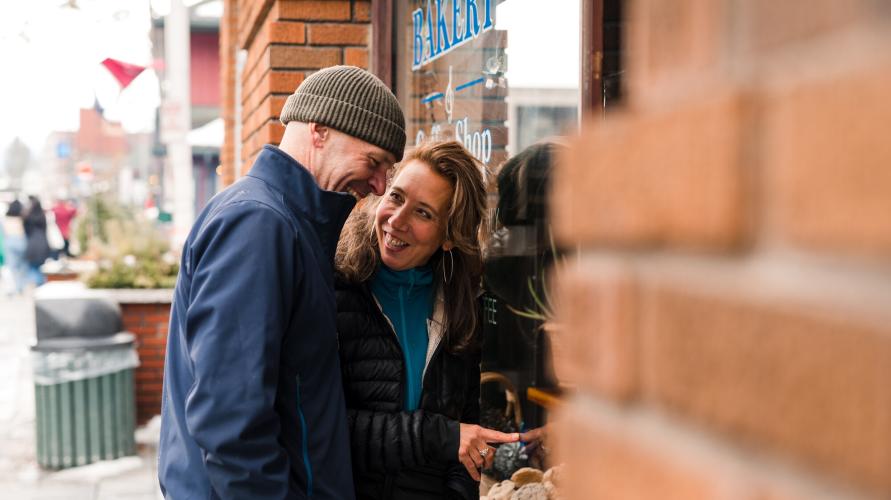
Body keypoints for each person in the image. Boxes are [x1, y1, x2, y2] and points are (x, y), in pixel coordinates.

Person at [159, 65, 406, 499]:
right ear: (320, 131)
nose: (379, 185)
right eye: (374, 162)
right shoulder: (259, 225)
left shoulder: (283, 222)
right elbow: (230, 420)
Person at [334, 140, 519, 500]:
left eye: (423, 213)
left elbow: (467, 433)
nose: (397, 220)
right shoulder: (337, 288)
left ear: (449, 235)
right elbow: (329, 426)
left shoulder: (459, 307)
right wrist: (442, 436)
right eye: (396, 197)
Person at [23, 196, 50, 288]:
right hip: (42, 243)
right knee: (41, 267)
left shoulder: (27, 216)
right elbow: (45, 230)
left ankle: (36, 284)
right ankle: (40, 284)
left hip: (31, 244)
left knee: (32, 267)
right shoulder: (42, 216)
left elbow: (26, 231)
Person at [2, 200, 27, 295]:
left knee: (12, 267)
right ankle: (21, 286)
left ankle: (14, 288)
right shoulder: (22, 218)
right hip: (21, 242)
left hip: (9, 243)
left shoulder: (5, 219)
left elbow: (3, 233)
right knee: (22, 267)